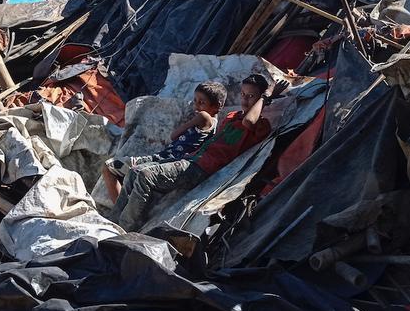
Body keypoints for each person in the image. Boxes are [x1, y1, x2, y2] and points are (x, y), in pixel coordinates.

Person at [111, 74, 285, 231]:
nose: (245, 100)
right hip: (194, 159)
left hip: (204, 168)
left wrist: (265, 97)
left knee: (145, 175)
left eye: (251, 96)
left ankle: (125, 227)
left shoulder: (260, 125)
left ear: (261, 98)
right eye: (243, 94)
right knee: (134, 172)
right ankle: (112, 220)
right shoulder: (232, 116)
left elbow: (249, 121)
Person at [102, 81, 227, 202]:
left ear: (217, 106)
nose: (196, 106)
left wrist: (189, 122)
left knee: (108, 167)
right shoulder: (214, 125)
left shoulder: (203, 116)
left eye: (202, 102)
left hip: (165, 158)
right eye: (195, 101)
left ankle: (117, 210)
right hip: (170, 161)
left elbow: (174, 135)